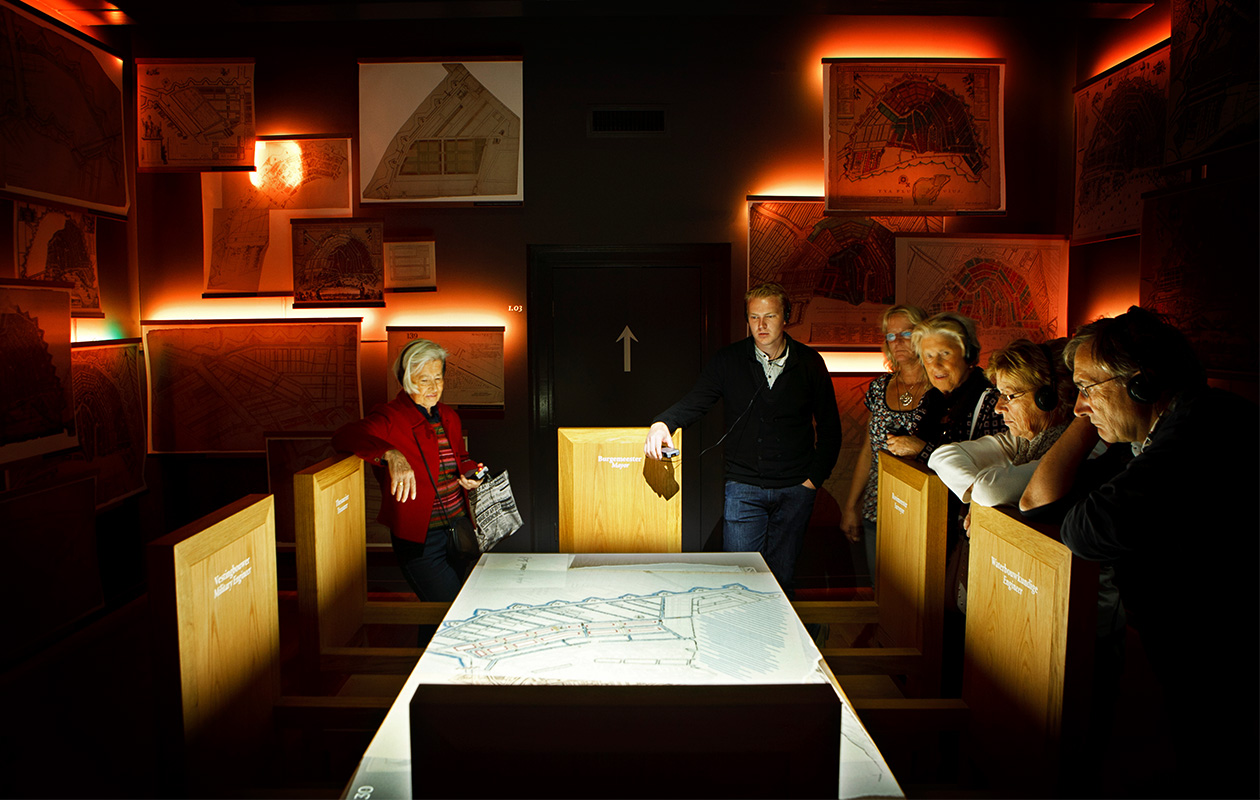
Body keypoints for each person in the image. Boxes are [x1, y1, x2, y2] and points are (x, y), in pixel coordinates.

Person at [1020, 307, 1258, 797]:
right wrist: (1100, 409)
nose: (1078, 407)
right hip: (1196, 656)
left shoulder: (1203, 427)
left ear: (1143, 383)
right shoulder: (1146, 439)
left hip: (1228, 663)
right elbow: (1039, 502)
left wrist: (1108, 409)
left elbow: (1087, 529)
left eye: (1086, 388)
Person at [643, 282, 842, 595]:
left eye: (769, 316)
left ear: (787, 317)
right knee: (738, 581)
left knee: (781, 580)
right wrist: (662, 423)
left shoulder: (809, 362)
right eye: (753, 317)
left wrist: (812, 481)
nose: (761, 325)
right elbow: (697, 401)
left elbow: (831, 429)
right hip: (744, 486)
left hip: (795, 488)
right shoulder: (729, 360)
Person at [331, 339, 485, 605]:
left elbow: (461, 457)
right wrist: (390, 453)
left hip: (458, 529)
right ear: (405, 380)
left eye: (438, 378)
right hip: (421, 539)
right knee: (446, 607)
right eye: (424, 380)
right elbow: (344, 436)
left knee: (440, 610)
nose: (434, 387)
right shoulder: (390, 416)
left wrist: (470, 473)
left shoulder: (448, 416)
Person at [841, 304, 929, 585]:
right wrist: (851, 506)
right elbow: (869, 450)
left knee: (918, 595)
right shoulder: (879, 388)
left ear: (923, 335)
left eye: (906, 333)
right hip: (876, 508)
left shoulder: (940, 387)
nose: (898, 341)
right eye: (891, 336)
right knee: (880, 592)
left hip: (923, 512)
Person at [885, 310, 1007, 463]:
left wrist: (923, 451)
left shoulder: (992, 403)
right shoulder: (930, 398)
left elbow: (988, 468)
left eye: (945, 354)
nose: (936, 365)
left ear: (969, 356)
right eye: (929, 356)